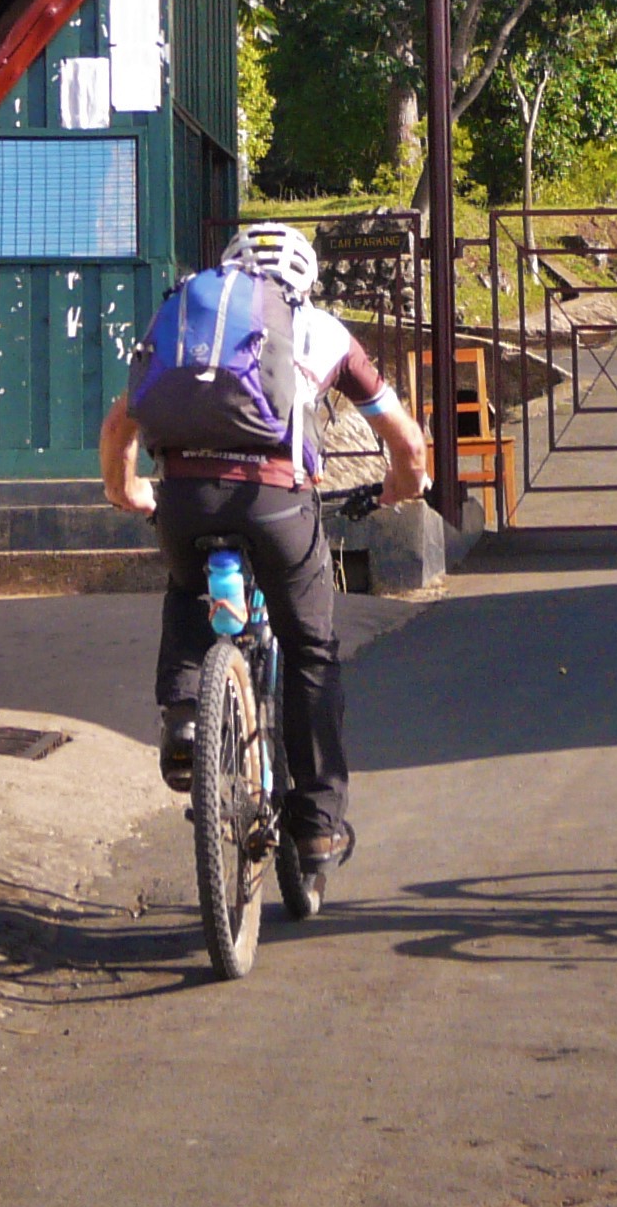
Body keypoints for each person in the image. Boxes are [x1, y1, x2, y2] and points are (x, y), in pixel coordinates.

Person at [97, 222, 430, 878]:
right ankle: (315, 828)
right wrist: (403, 487)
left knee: (190, 589)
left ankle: (187, 720)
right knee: (310, 652)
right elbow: (407, 444)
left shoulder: (187, 322)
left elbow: (119, 426)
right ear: (305, 278)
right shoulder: (326, 331)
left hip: (187, 497)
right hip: (276, 504)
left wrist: (127, 489)